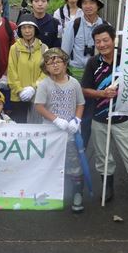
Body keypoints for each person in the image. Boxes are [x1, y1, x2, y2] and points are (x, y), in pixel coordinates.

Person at [81, 24, 128, 210]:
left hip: (123, 117)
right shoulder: (93, 63)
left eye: (105, 40)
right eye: (98, 42)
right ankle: (107, 187)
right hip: (99, 117)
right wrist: (101, 94)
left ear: (113, 40)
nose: (102, 44)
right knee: (103, 156)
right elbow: (84, 90)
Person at [35, 48, 86, 213]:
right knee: (49, 163)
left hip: (70, 132)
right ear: (46, 68)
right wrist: (55, 119)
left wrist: (77, 119)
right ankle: (48, 195)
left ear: (65, 64)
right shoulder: (44, 85)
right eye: (50, 63)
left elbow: (80, 103)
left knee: (74, 163)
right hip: (50, 133)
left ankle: (77, 194)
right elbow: (39, 106)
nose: (55, 65)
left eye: (58, 61)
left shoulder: (74, 83)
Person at [6, 14, 47, 123]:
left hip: (38, 95)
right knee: (20, 128)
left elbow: (46, 72)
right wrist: (20, 91)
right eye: (24, 28)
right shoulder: (15, 48)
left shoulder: (43, 48)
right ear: (20, 30)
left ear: (35, 29)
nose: (27, 31)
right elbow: (11, 71)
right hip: (18, 96)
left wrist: (33, 88)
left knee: (36, 127)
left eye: (30, 27)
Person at [61, 0, 105, 81]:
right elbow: (64, 52)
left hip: (99, 72)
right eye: (84, 3)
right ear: (81, 6)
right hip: (76, 73)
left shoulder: (105, 26)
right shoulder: (73, 25)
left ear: (98, 6)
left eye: (92, 3)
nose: (88, 6)